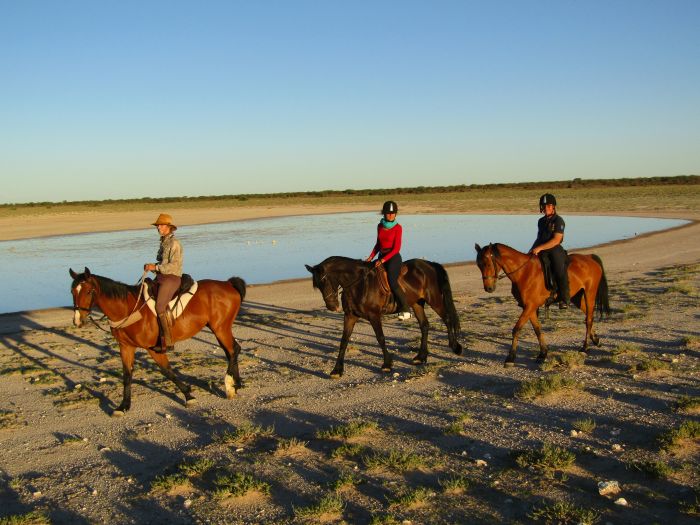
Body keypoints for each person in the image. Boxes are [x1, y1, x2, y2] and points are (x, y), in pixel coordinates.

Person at [366, 200, 412, 320]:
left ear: (396, 214)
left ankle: (406, 309)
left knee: (392, 281)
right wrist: (371, 256)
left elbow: (396, 248)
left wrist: (382, 260)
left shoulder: (398, 228)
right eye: (388, 213)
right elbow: (378, 244)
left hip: (393, 258)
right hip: (381, 255)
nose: (390, 215)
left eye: (393, 213)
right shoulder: (379, 226)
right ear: (384, 214)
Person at [144, 213, 183, 351]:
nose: (158, 227)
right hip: (162, 276)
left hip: (172, 278)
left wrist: (155, 267)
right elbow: (162, 263)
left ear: (168, 227)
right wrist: (153, 267)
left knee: (160, 307)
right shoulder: (164, 241)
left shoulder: (174, 243)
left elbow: (173, 265)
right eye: (157, 225)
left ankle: (169, 341)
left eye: (160, 225)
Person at [529, 193, 570, 309]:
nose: (546, 208)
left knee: (558, 269)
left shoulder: (559, 220)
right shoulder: (540, 221)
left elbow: (556, 240)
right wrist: (531, 250)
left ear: (553, 207)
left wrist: (540, 248)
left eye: (548, 206)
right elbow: (539, 238)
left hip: (555, 249)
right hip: (542, 248)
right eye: (544, 206)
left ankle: (564, 298)